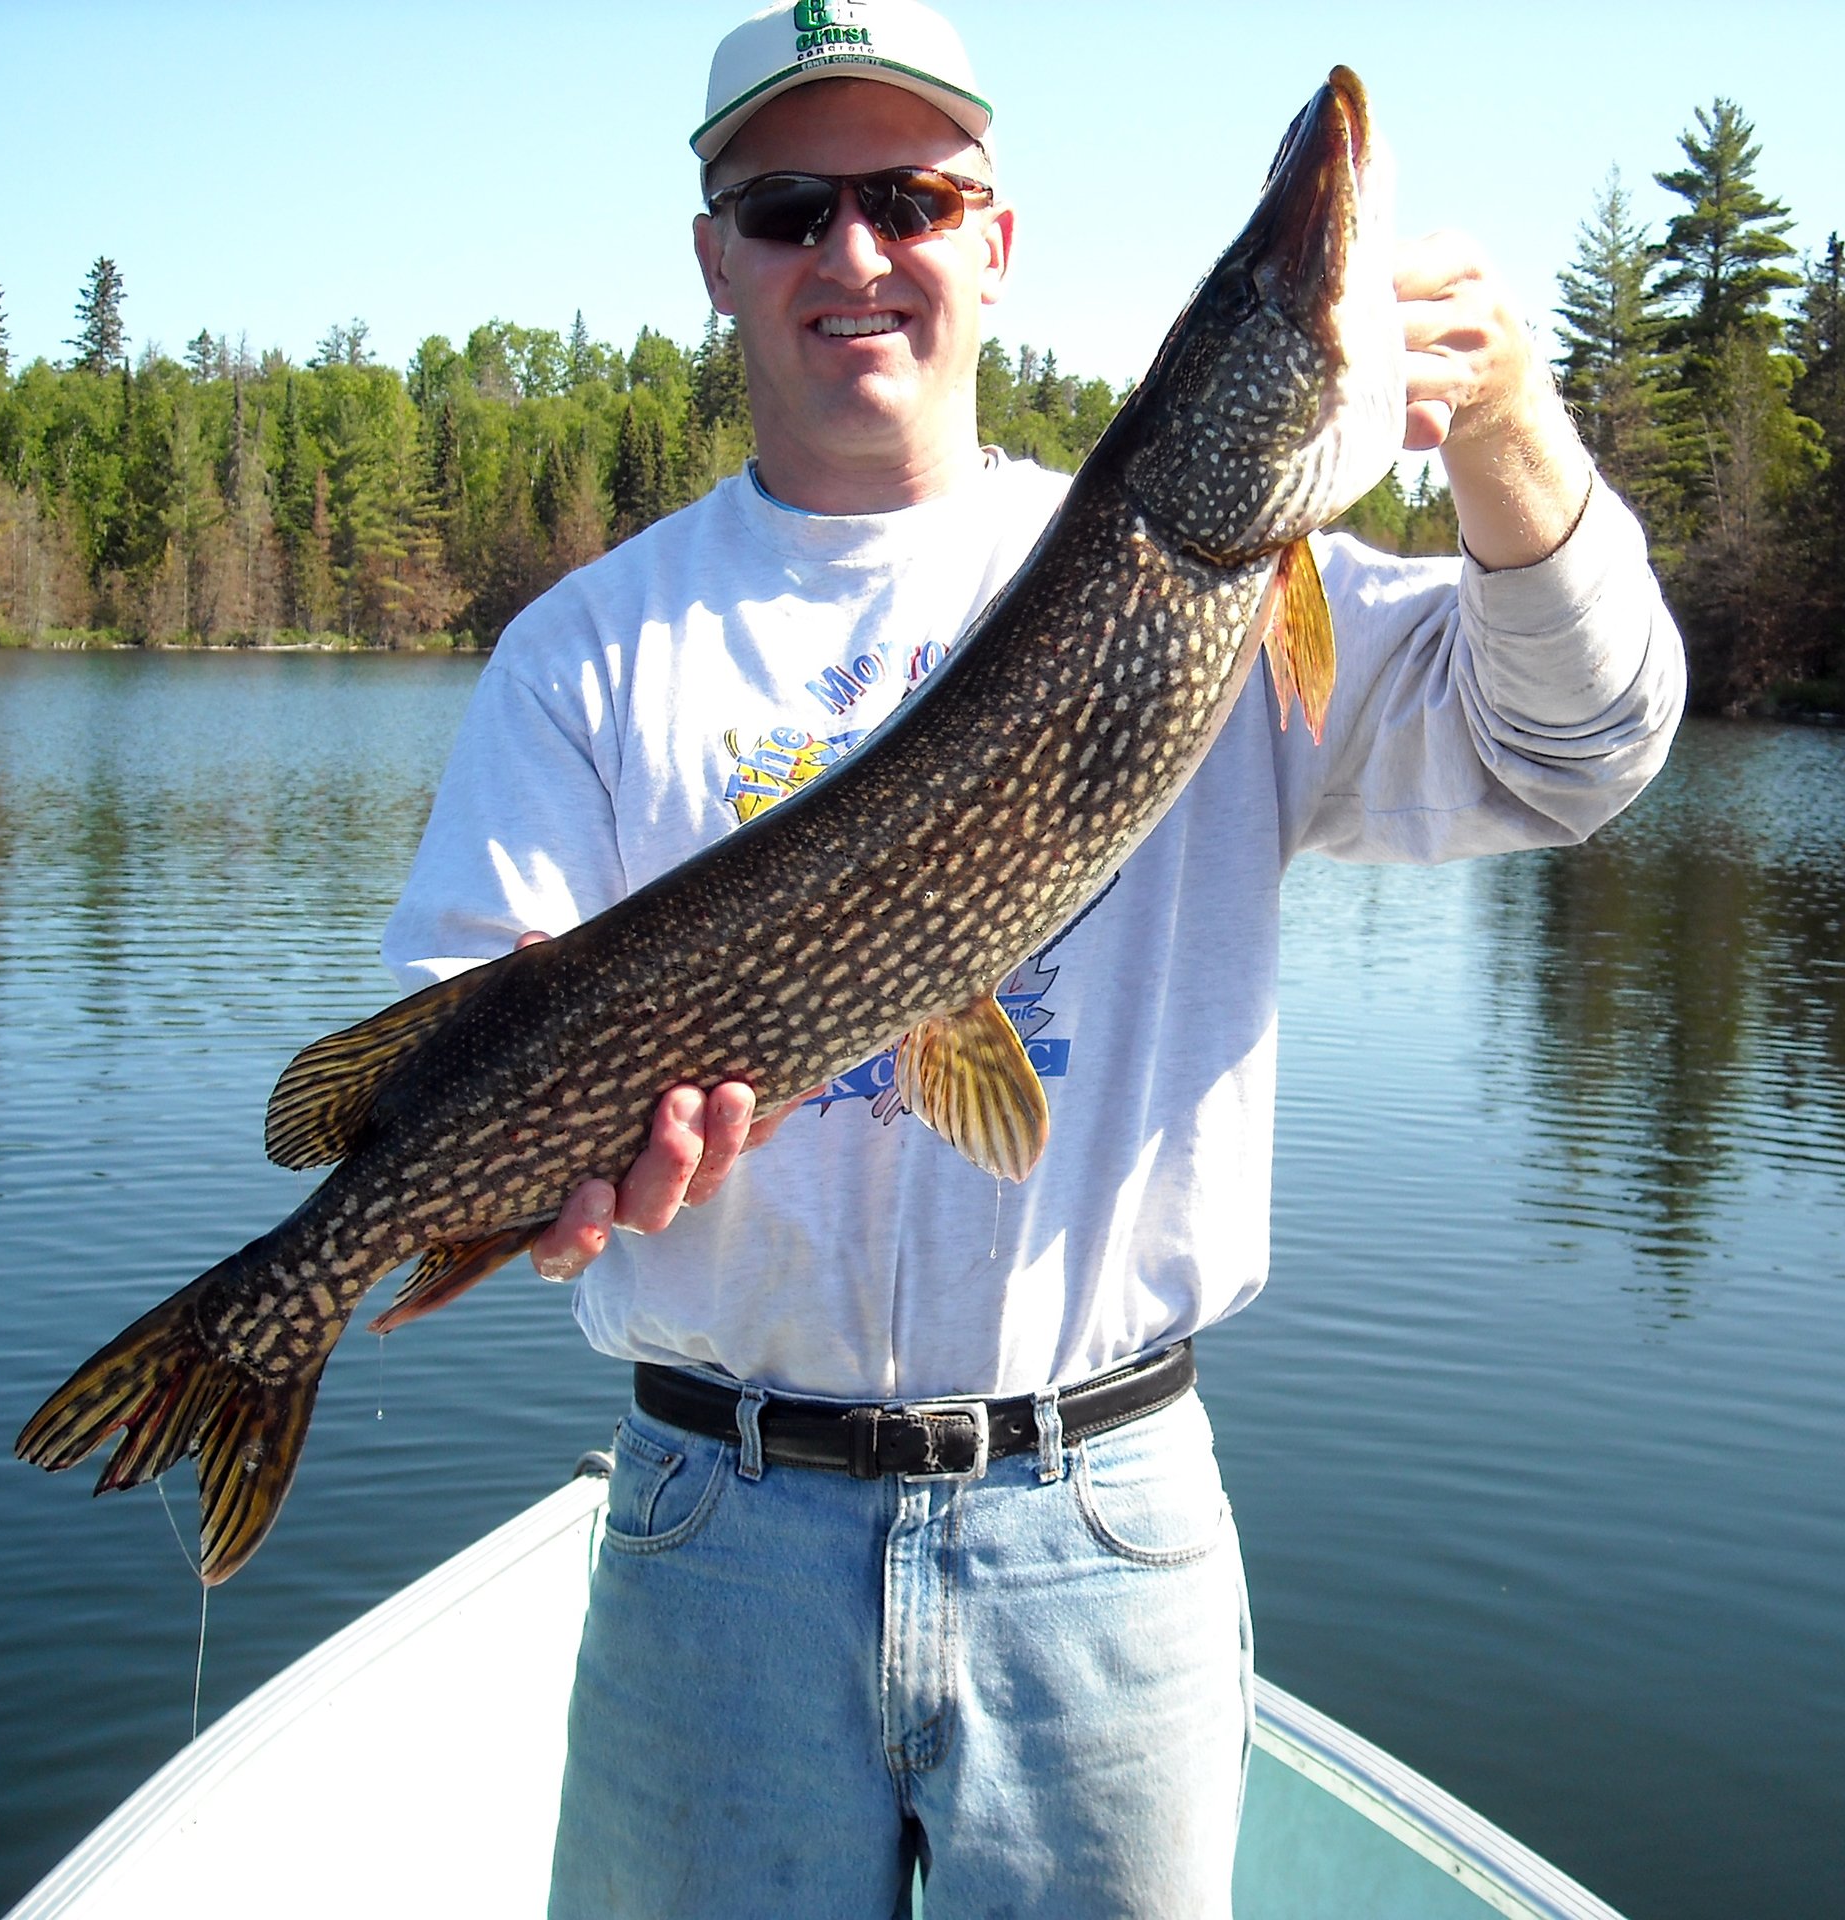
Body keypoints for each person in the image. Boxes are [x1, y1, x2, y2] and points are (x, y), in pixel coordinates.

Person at [381, 3, 1686, 1913]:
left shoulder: (1227, 591)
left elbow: (1581, 745)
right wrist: (543, 1196)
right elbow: (462, 1025)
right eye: (791, 208)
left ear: (994, 242)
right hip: (717, 1524)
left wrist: (1506, 428)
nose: (853, 251)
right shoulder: (586, 654)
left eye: (911, 200)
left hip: (1100, 1532)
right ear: (717, 258)